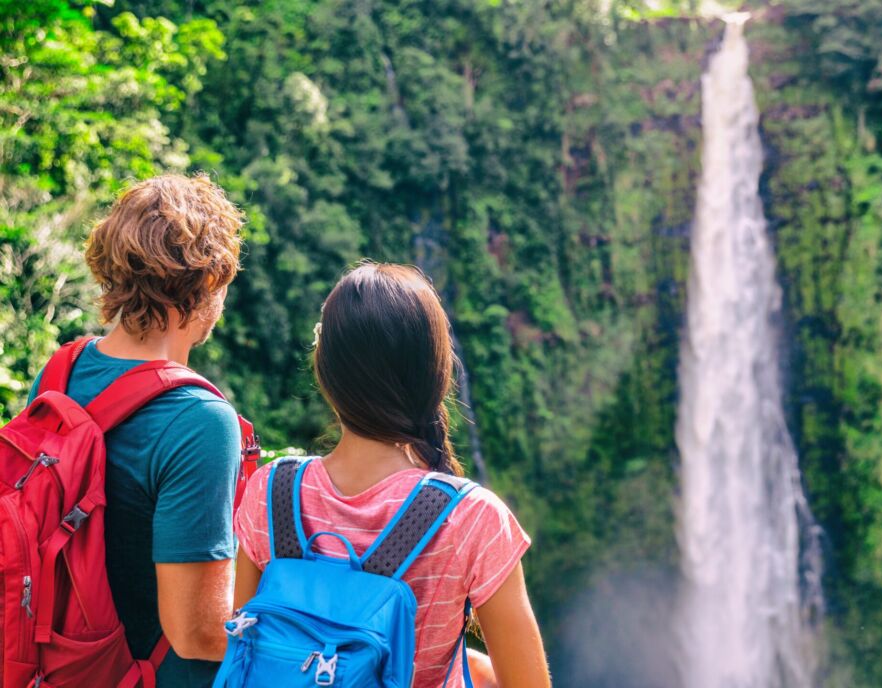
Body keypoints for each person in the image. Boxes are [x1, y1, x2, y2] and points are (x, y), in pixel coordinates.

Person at [233, 262, 551, 688]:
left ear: (324, 370)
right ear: (436, 376)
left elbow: (245, 643)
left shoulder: (270, 491)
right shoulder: (473, 519)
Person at [27, 173, 245, 686]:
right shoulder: (200, 422)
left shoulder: (58, 373)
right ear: (211, 282)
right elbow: (198, 632)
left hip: (55, 665)